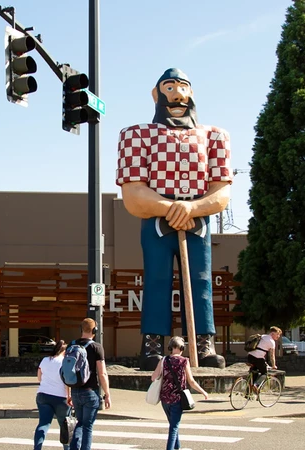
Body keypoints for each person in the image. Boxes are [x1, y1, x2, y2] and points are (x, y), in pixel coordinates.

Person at [116, 68, 233, 370]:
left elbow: (221, 193)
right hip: (156, 222)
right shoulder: (136, 135)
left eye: (183, 87)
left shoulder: (215, 137)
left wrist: (192, 209)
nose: (178, 95)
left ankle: (203, 344)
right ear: (156, 95)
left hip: (198, 223)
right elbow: (133, 194)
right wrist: (172, 207)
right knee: (156, 279)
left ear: (192, 94)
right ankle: (152, 344)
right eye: (169, 88)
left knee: (201, 282)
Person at [151, 336, 209, 450]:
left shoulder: (164, 360)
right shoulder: (184, 361)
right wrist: (203, 392)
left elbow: (153, 377)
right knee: (174, 427)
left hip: (164, 398)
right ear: (182, 347)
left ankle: (177, 447)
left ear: (170, 347)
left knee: (173, 425)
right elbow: (191, 381)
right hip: (178, 398)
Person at [69, 318, 111, 450]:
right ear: (95, 330)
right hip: (90, 391)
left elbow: (67, 371)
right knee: (87, 426)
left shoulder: (72, 345)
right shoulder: (96, 347)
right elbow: (102, 373)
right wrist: (107, 394)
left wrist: (69, 392)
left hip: (75, 390)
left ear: (81, 329)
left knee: (79, 423)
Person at [33, 340, 70, 450]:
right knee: (65, 426)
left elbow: (39, 378)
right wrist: (69, 396)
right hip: (60, 397)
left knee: (43, 424)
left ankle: (37, 447)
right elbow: (67, 382)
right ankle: (67, 448)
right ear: (65, 352)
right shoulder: (65, 363)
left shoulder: (45, 360)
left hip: (43, 394)